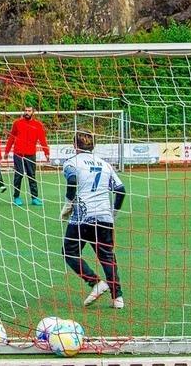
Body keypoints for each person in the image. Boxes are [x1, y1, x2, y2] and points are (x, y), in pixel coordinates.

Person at [60, 131, 126, 309]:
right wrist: (114, 213)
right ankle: (117, 298)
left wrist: (68, 204)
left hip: (82, 217)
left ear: (74, 146)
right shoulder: (105, 165)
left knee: (69, 252)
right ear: (93, 146)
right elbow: (120, 189)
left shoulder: (71, 163)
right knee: (107, 257)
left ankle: (95, 282)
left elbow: (72, 180)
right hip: (104, 217)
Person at [3, 106, 50, 206]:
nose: (27, 112)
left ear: (33, 112)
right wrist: (7, 151)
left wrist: (47, 153)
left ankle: (34, 198)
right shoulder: (17, 123)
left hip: (31, 154)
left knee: (32, 176)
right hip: (18, 153)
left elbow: (42, 140)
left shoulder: (38, 125)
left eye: (29, 111)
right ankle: (16, 197)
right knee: (18, 175)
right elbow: (11, 138)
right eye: (26, 110)